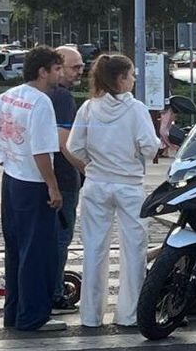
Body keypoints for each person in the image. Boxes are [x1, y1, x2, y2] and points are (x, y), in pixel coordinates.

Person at [0, 47, 66, 332]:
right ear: (43, 72)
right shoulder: (41, 102)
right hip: (33, 184)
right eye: (56, 69)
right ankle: (32, 316)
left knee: (17, 250)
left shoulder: (12, 95)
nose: (60, 74)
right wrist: (53, 187)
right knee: (38, 253)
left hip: (11, 181)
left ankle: (15, 313)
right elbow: (42, 151)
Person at [67, 54, 161, 328]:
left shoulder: (88, 108)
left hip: (96, 184)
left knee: (95, 249)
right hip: (129, 184)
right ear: (121, 79)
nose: (134, 79)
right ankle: (129, 314)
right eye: (131, 75)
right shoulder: (135, 110)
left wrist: (93, 163)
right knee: (134, 250)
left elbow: (74, 147)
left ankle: (91, 315)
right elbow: (149, 146)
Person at [49, 46, 87, 315]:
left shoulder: (34, 93)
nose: (81, 71)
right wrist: (87, 169)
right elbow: (65, 145)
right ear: (57, 67)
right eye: (75, 67)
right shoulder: (61, 97)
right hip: (61, 178)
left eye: (82, 65)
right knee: (60, 237)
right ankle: (54, 292)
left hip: (36, 177)